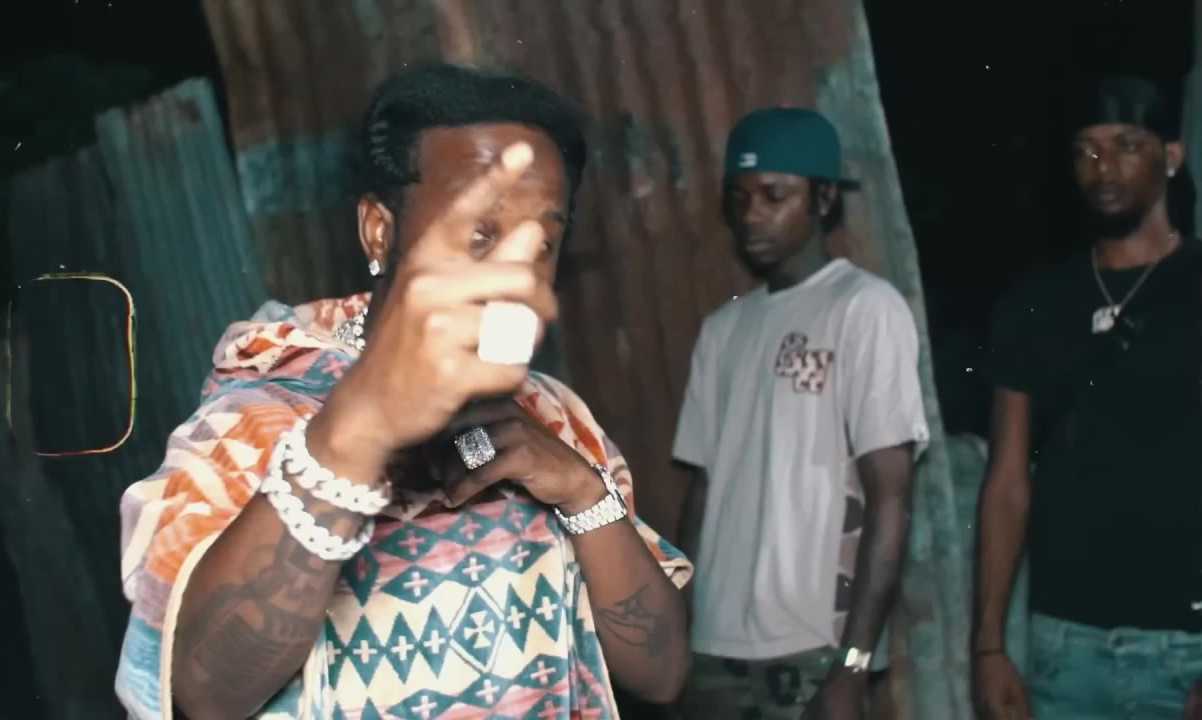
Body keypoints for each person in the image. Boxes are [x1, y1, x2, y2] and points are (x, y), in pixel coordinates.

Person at [114, 64, 692, 720]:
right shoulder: (250, 425)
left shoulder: (554, 414)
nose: (512, 272)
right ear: (379, 231)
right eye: (478, 232)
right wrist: (349, 441)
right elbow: (201, 696)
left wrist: (583, 492)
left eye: (541, 242)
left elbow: (664, 674)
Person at [673, 107, 929, 719]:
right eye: (740, 198)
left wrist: (853, 666)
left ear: (824, 199)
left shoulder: (864, 308)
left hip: (812, 650)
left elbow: (891, 498)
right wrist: (678, 629)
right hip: (713, 649)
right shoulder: (722, 329)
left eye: (774, 196)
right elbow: (703, 492)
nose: (751, 214)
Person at [973, 74, 1202, 720]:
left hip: (1186, 650)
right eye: (1086, 150)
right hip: (1062, 650)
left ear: (1172, 155)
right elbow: (1007, 481)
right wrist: (988, 646)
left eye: (1127, 145)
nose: (1103, 167)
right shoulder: (1034, 303)